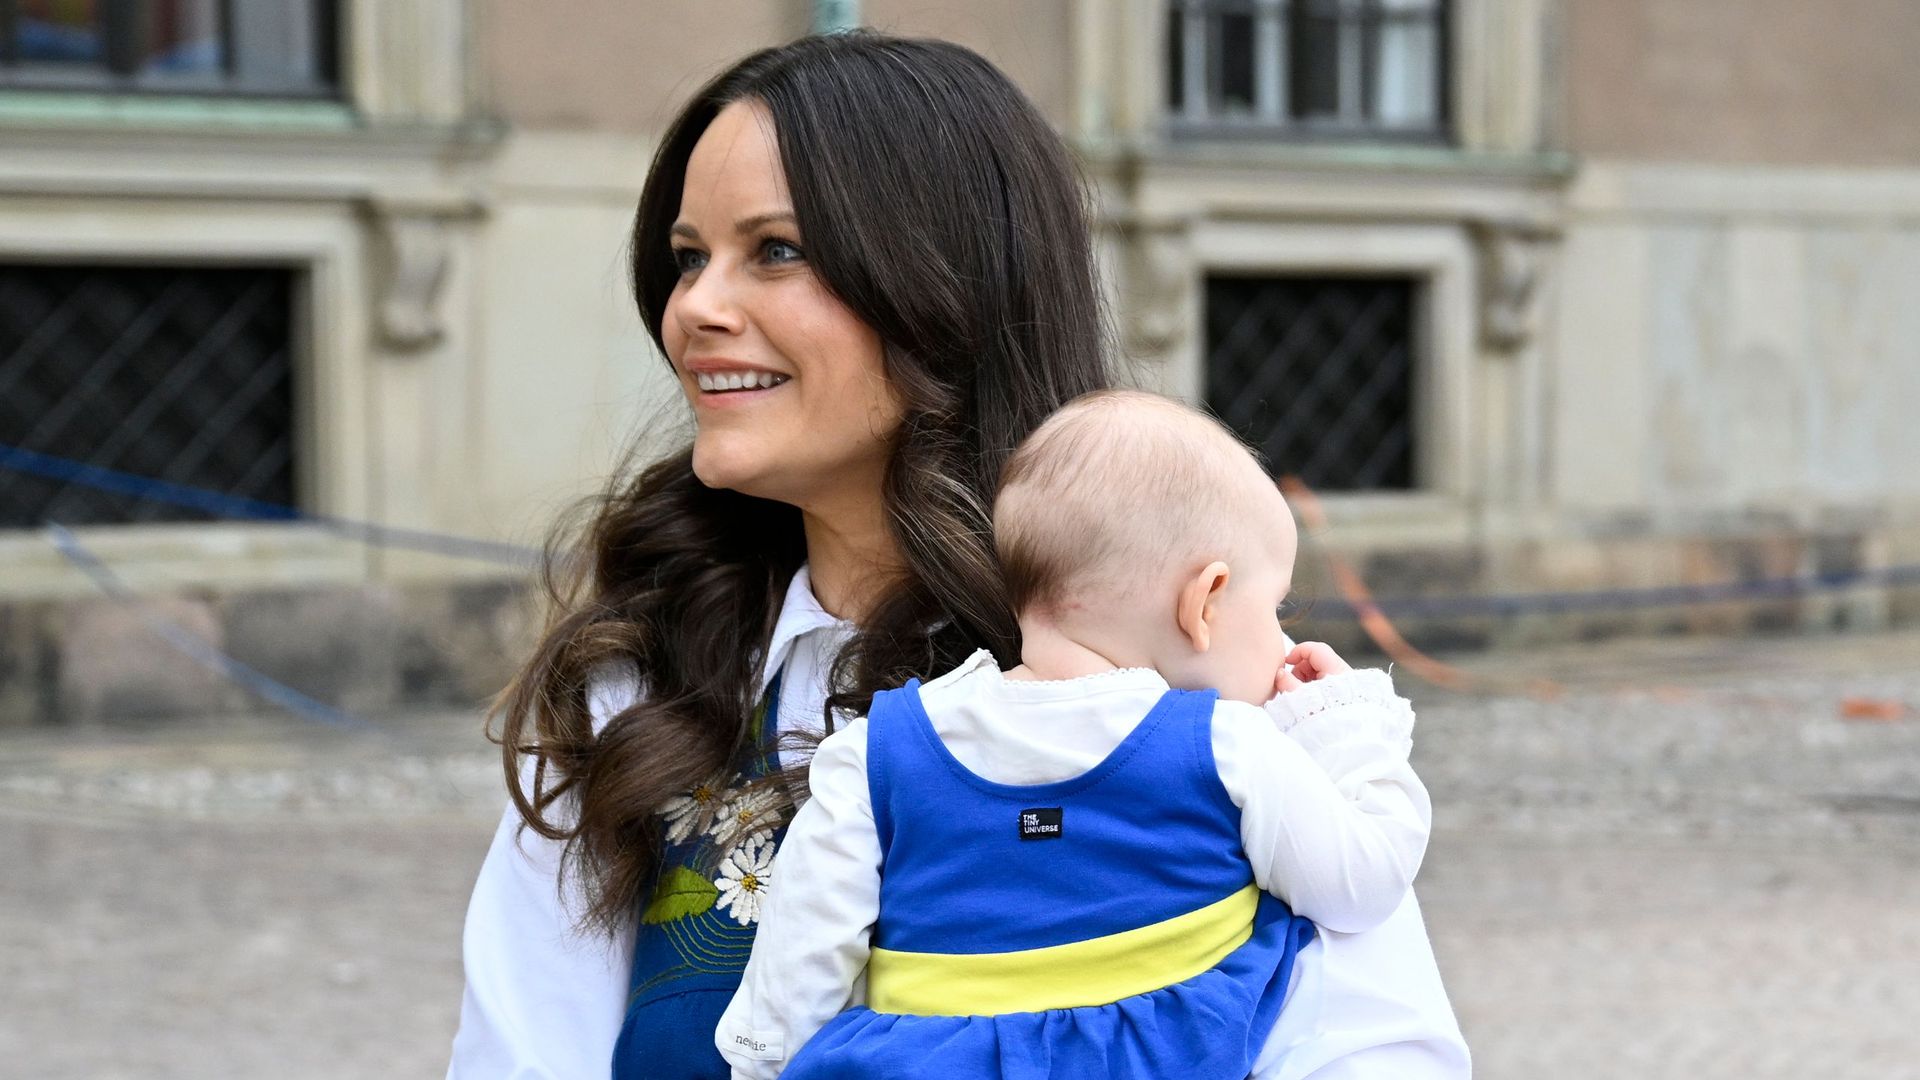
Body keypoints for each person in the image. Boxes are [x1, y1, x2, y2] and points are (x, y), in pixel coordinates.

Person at [447, 31, 1466, 1080]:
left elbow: (1377, 1054)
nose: (696, 309)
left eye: (778, 250)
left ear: (946, 290)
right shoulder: (639, 698)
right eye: (689, 257)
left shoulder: (1192, 682)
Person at [715, 390, 1435, 1079]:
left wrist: (761, 1063)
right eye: (1275, 607)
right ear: (1205, 601)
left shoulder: (877, 753)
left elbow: (799, 966)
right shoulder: (1224, 746)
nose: (1281, 641)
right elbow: (1360, 887)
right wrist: (1343, 730)